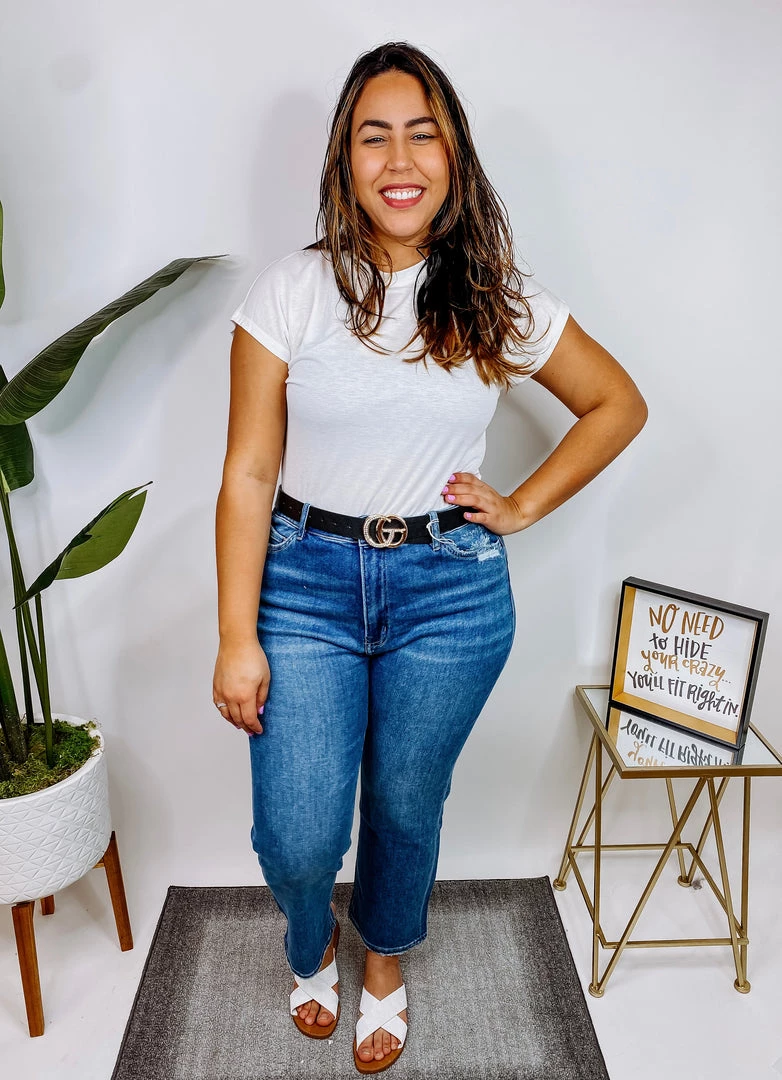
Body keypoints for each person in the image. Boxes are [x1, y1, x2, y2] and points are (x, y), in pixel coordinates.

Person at [213, 41, 647, 1074]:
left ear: (454, 156)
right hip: (303, 587)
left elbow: (615, 404)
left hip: (448, 593)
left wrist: (521, 504)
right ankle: (311, 938)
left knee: (407, 806)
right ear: (344, 160)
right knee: (298, 836)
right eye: (375, 137)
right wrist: (235, 635)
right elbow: (247, 473)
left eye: (423, 135)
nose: (399, 159)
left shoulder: (496, 299)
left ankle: (384, 958)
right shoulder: (292, 291)